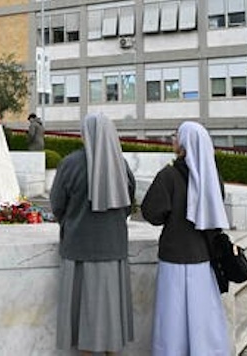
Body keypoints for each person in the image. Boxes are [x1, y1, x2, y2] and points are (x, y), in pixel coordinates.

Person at [141, 121, 232, 355]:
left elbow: (151, 213)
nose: (173, 140)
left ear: (184, 144)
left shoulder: (169, 175)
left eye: (176, 136)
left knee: (172, 319)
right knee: (203, 318)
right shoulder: (212, 177)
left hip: (174, 255)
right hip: (203, 257)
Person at [50, 113, 136, 354]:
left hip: (78, 250)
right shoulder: (121, 165)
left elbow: (57, 205)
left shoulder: (70, 163)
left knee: (83, 317)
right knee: (112, 314)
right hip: (114, 249)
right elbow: (129, 203)